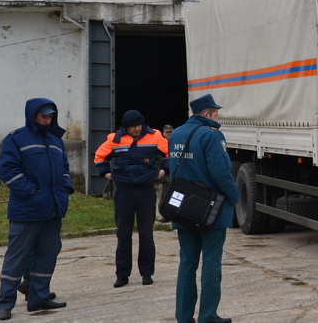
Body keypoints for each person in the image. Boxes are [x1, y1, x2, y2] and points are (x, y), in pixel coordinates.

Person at [0, 98, 72, 320]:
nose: (48, 120)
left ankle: (38, 298)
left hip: (53, 209)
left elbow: (65, 168)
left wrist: (65, 187)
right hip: (26, 211)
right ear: (32, 115)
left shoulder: (56, 141)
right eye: (44, 116)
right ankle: (4, 304)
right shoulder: (15, 139)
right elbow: (7, 170)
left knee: (47, 256)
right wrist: (32, 192)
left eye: (51, 116)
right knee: (16, 258)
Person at [169, 94, 239, 323]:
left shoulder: (176, 134)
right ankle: (208, 316)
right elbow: (220, 173)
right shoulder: (212, 135)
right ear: (207, 114)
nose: (218, 117)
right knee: (211, 263)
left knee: (187, 264)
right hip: (210, 210)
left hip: (182, 206)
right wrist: (234, 196)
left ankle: (183, 316)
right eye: (216, 113)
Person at [94, 110, 168, 287]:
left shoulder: (155, 136)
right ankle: (122, 275)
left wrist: (164, 171)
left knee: (146, 234)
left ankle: (147, 273)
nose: (137, 129)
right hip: (124, 191)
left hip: (145, 190)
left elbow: (170, 153)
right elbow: (99, 156)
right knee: (123, 234)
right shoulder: (114, 139)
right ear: (126, 127)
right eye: (133, 126)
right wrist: (106, 173)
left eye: (139, 125)